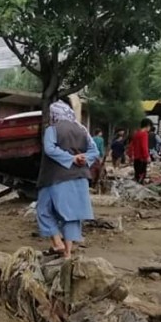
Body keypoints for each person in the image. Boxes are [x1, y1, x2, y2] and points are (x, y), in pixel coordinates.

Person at [36, 101, 100, 259]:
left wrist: (71, 158)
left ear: (53, 115)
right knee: (71, 215)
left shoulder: (52, 129)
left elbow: (49, 149)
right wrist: (83, 158)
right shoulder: (82, 129)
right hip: (80, 177)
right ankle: (67, 253)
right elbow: (95, 151)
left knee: (43, 210)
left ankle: (57, 243)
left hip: (56, 177)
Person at [128, 118, 153, 183]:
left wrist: (131, 155)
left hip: (136, 158)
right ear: (148, 125)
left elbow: (131, 145)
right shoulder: (144, 134)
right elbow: (144, 146)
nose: (149, 129)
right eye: (150, 126)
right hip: (142, 158)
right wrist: (147, 156)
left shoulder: (136, 134)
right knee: (142, 176)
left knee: (137, 175)